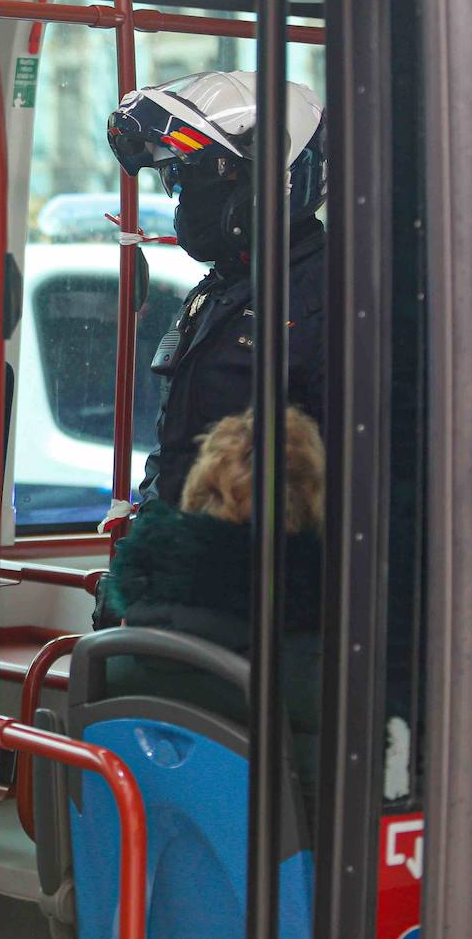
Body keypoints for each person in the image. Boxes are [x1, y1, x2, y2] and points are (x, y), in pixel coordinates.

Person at [104, 69, 328, 509]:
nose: (185, 203)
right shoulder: (221, 289)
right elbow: (178, 451)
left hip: (255, 567)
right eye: (176, 183)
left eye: (201, 181)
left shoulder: (329, 303)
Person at [94, 407, 326, 801]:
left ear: (196, 489)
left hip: (137, 858)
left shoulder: (118, 648)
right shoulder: (321, 669)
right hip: (283, 861)